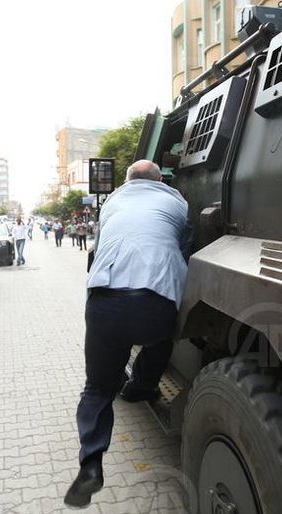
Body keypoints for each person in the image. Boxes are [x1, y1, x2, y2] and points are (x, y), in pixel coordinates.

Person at [64, 160, 192, 508]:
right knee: (162, 339)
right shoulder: (177, 201)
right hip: (155, 301)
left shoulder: (112, 204)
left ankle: (91, 464)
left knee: (97, 388)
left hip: (104, 300)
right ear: (160, 179)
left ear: (127, 181)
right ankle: (142, 386)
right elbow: (185, 247)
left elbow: (97, 249)